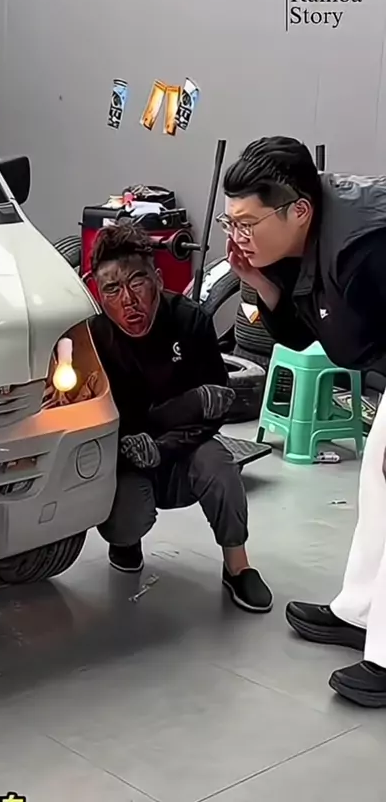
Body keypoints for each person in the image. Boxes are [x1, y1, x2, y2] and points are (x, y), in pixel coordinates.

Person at [221, 135, 386, 706]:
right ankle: (361, 611)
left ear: (298, 211)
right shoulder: (303, 235)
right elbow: (304, 332)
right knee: (377, 486)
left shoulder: (365, 247)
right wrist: (260, 282)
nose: (239, 235)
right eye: (231, 222)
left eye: (248, 223)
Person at [89, 220, 273, 613]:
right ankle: (125, 544)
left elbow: (214, 410)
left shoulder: (191, 321)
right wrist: (181, 409)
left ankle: (238, 566)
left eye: (137, 282)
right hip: (128, 459)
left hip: (183, 450)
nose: (128, 300)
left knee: (220, 465)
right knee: (125, 518)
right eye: (112, 289)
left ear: (157, 279)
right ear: (98, 295)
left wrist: (163, 444)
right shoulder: (93, 337)